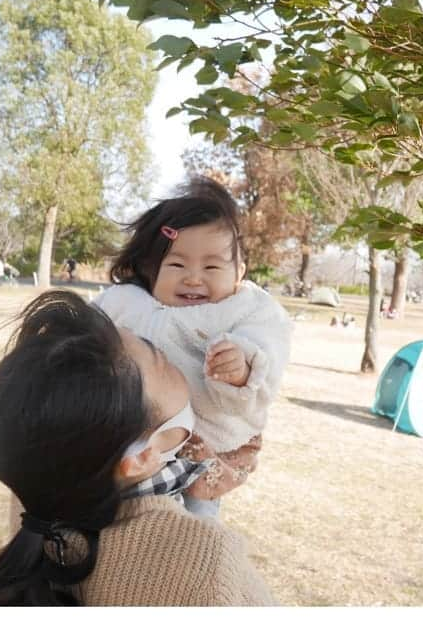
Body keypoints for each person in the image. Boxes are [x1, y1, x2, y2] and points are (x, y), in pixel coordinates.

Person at [0, 291, 273, 606]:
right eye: (163, 360)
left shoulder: (35, 498)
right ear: (140, 457)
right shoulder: (200, 561)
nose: (181, 366)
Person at [93, 177, 292, 519]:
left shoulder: (247, 308)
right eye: (177, 265)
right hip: (136, 438)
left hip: (205, 450)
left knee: (196, 521)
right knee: (116, 513)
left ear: (239, 272)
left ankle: (197, 557)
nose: (194, 278)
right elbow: (82, 329)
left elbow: (268, 344)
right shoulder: (126, 302)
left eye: (211, 266)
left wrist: (242, 366)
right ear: (152, 270)